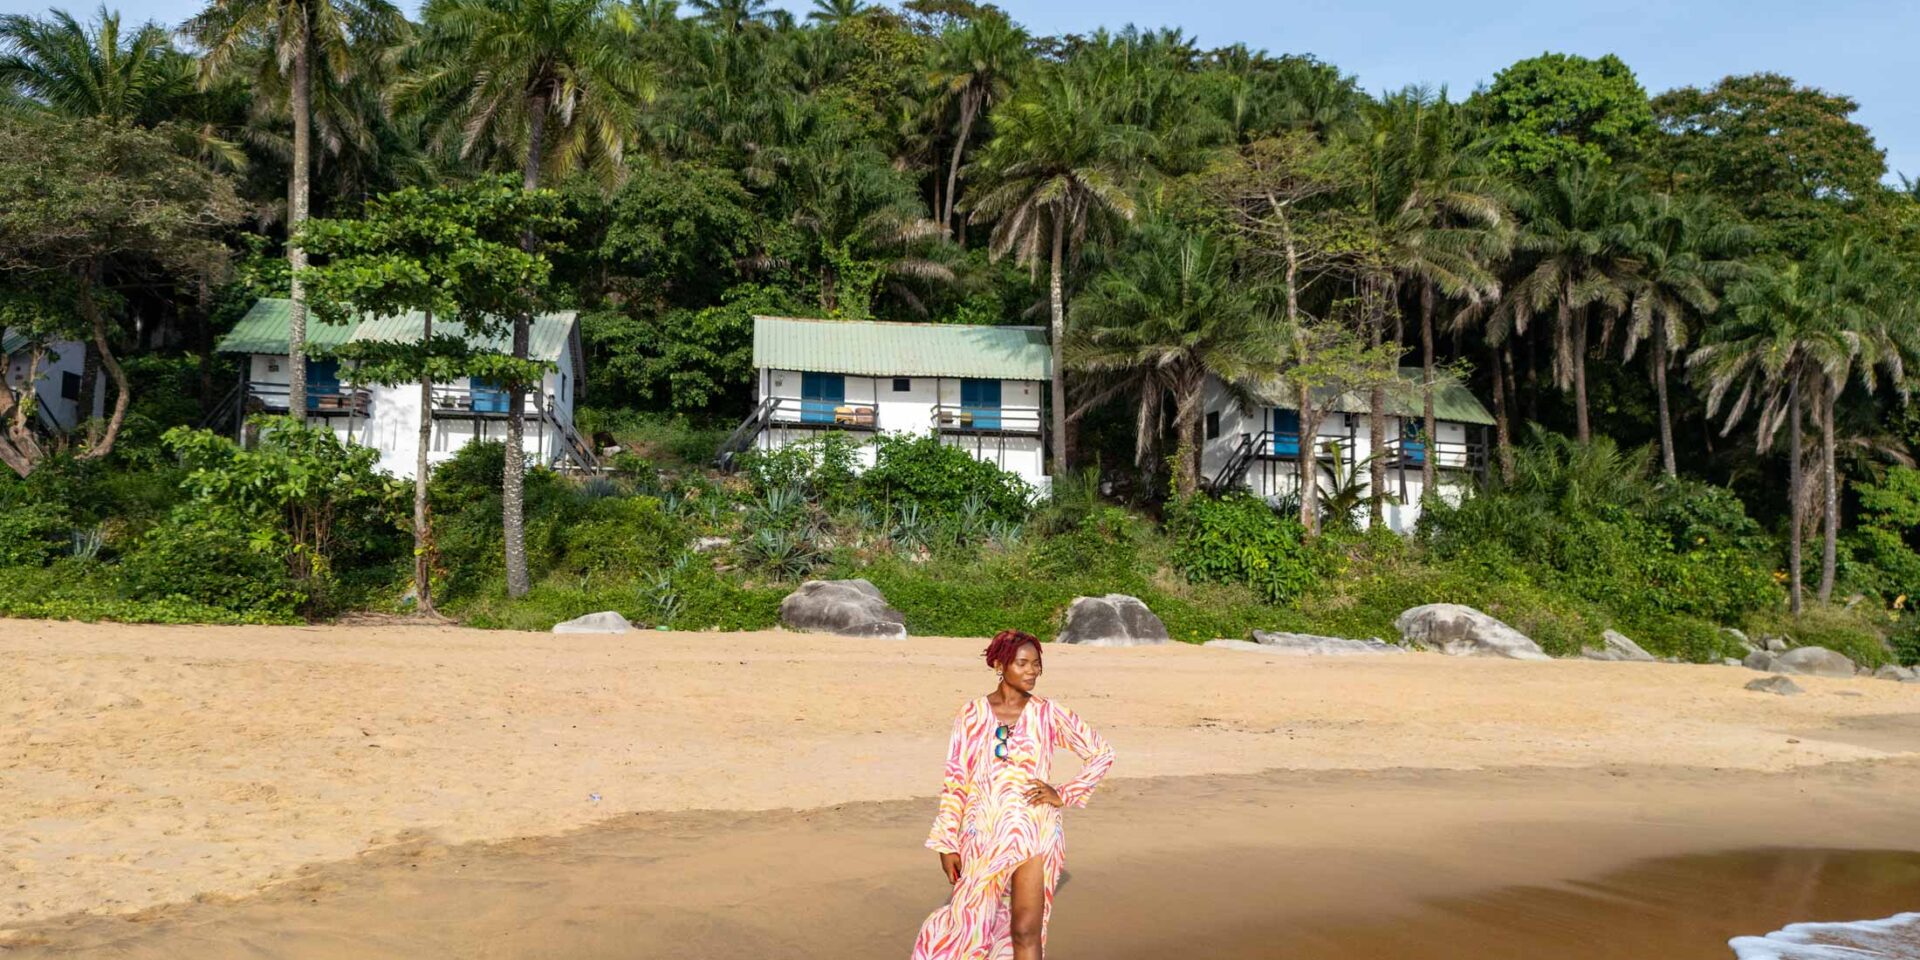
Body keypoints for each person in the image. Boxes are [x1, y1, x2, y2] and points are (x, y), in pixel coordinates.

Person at [910, 629, 1116, 960]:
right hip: (983, 835)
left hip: (1036, 833)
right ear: (999, 665)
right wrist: (947, 842)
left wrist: (1063, 792)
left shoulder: (1049, 713)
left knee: (1025, 930)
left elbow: (1101, 752)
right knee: (969, 927)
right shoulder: (972, 714)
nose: (1032, 671)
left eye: (1037, 664)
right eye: (1022, 663)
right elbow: (956, 780)